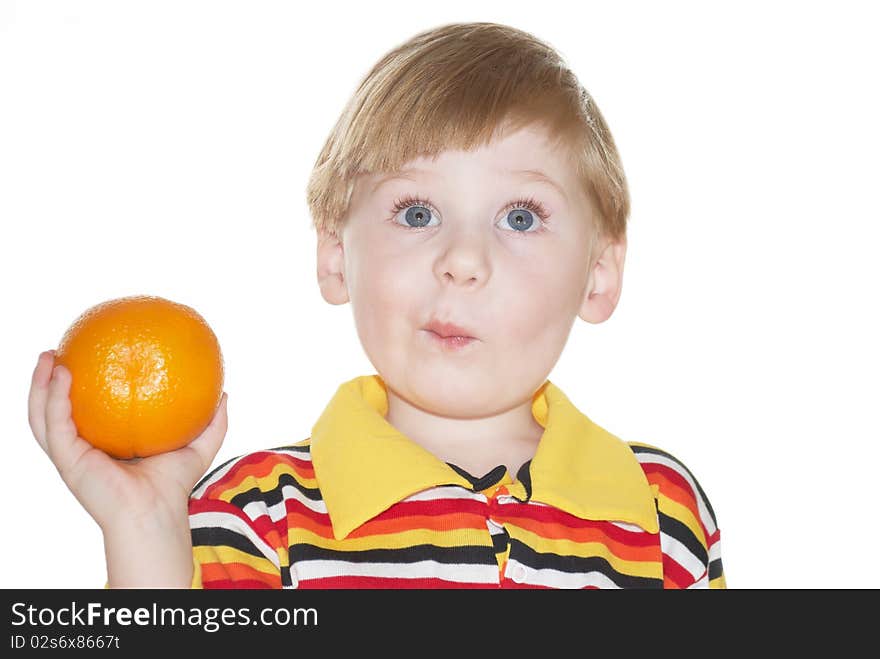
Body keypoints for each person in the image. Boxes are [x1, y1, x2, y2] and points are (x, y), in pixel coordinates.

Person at [28, 21, 725, 589]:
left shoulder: (661, 511)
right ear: (336, 253)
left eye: (519, 217)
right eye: (418, 211)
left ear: (598, 273)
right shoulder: (256, 518)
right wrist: (144, 530)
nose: (462, 260)